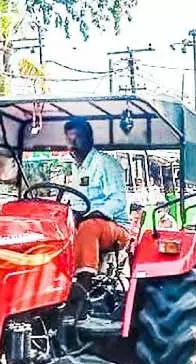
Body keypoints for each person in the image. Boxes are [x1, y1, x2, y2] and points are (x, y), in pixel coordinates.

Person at [65, 117, 130, 312]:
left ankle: (83, 284)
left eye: (77, 138)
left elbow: (118, 201)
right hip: (84, 222)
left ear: (89, 138)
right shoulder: (75, 169)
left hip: (115, 228)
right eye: (70, 139)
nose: (73, 144)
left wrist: (93, 214)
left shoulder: (104, 163)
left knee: (89, 226)